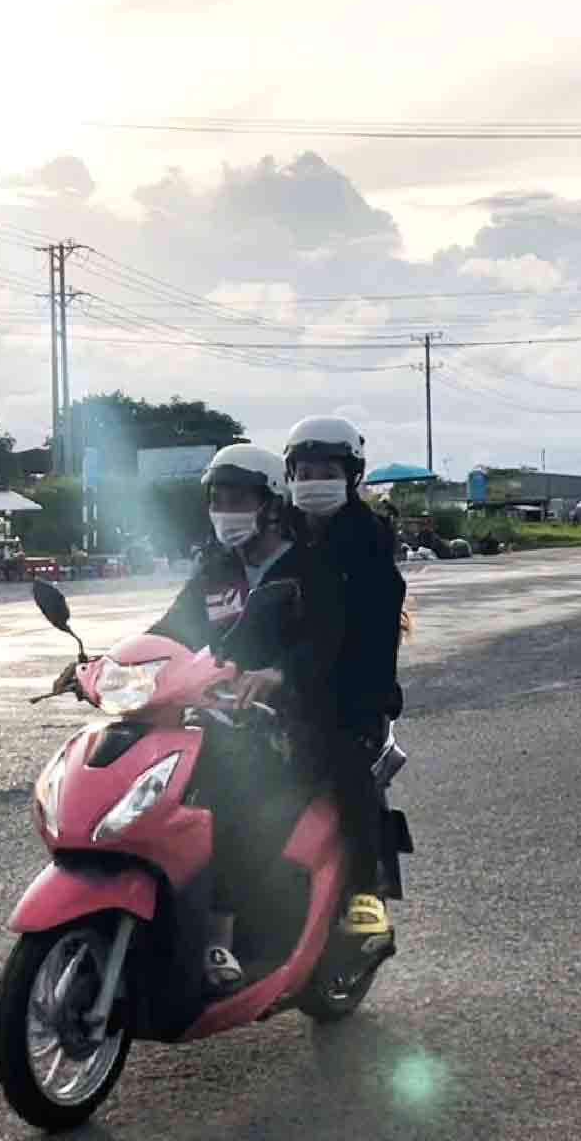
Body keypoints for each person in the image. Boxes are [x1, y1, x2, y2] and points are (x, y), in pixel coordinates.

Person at [109, 443, 343, 994]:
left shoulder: (309, 567)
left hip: (292, 719)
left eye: (237, 497)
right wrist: (107, 667)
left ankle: (218, 933)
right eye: (217, 497)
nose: (224, 508)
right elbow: (171, 630)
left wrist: (281, 675)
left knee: (225, 799)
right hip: (219, 712)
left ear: (269, 503)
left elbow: (332, 643)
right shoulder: (216, 568)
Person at [281, 414, 406, 941]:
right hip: (282, 685)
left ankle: (364, 894)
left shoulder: (367, 536)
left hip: (352, 694)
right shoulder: (279, 528)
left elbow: (363, 629)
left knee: (347, 775)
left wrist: (304, 673)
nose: (313, 480)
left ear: (351, 474)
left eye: (326, 469)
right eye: (304, 469)